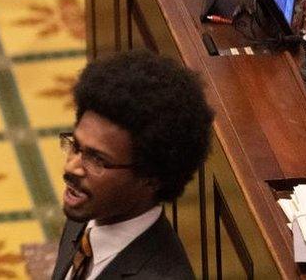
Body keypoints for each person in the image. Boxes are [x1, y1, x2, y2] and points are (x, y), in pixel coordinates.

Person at [51, 50, 214, 280]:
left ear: (150, 177)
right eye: (76, 147)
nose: (72, 168)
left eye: (97, 159)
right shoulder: (88, 214)